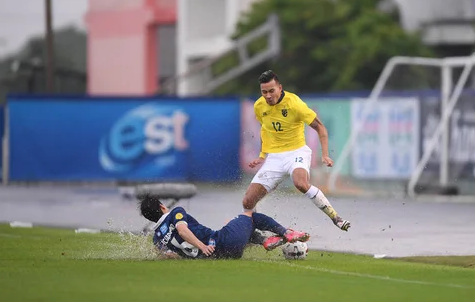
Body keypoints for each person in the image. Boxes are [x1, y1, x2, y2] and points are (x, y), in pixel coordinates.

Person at [242, 70, 351, 231]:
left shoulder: (294, 104)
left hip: (297, 152)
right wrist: (262, 155)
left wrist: (325, 155)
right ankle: (255, 233)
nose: (268, 96)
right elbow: (265, 129)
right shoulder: (259, 106)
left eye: (271, 91)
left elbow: (320, 127)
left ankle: (335, 217)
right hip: (275, 157)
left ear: (280, 88)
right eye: (264, 92)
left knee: (300, 183)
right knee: (247, 202)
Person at [139, 195, 309, 259]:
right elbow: (183, 231)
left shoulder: (156, 239)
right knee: (250, 213)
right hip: (221, 242)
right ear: (162, 207)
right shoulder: (175, 212)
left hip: (219, 256)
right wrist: (202, 246)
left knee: (233, 224)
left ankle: (265, 239)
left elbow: (169, 257)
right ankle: (286, 232)